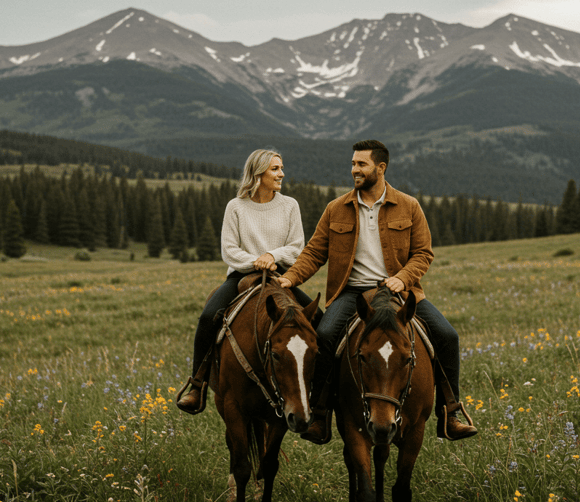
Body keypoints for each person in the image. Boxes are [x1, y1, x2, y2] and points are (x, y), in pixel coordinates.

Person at [279, 139, 477, 443]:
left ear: (380, 168)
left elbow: (423, 254)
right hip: (352, 295)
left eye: (361, 164)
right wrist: (290, 279)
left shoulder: (409, 206)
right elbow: (314, 253)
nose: (354, 170)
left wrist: (402, 278)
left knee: (447, 336)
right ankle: (320, 416)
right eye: (353, 164)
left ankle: (450, 413)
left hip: (398, 293)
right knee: (326, 336)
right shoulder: (336, 208)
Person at [176, 149, 314, 414]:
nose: (281, 174)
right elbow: (229, 250)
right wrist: (256, 262)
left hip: (279, 277)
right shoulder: (236, 206)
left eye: (281, 168)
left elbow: (297, 247)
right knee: (207, 317)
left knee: (315, 319)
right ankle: (197, 385)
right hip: (241, 275)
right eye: (275, 169)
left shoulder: (290, 205)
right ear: (258, 173)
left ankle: (317, 396)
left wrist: (272, 255)